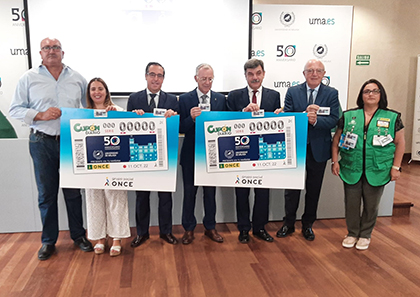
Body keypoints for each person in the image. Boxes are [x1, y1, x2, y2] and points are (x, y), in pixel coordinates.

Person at [9, 37, 93, 260]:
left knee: (74, 193)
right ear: (40, 53)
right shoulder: (28, 78)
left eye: (56, 47)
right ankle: (48, 241)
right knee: (46, 194)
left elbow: (89, 107)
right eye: (47, 48)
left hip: (70, 143)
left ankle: (78, 236)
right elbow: (15, 109)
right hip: (41, 142)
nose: (51, 51)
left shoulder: (77, 78)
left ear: (63, 53)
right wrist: (40, 115)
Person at [331, 79, 405, 250]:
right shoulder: (349, 116)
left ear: (381, 94)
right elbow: (336, 141)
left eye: (375, 91)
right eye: (367, 91)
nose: (370, 94)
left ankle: (365, 235)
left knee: (371, 205)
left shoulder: (392, 117)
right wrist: (335, 161)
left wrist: (396, 167)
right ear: (361, 95)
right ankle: (352, 233)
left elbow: (400, 143)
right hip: (351, 167)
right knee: (351, 203)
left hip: (378, 169)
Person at [277, 59, 339, 241]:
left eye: (318, 71)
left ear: (323, 74)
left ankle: (308, 225)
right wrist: (305, 117)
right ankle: (288, 223)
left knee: (313, 190)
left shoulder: (332, 94)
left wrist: (316, 121)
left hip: (319, 149)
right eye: (310, 70)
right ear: (304, 73)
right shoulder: (292, 91)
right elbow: (288, 117)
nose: (314, 74)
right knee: (291, 190)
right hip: (295, 148)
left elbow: (335, 119)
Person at [227, 58, 282, 243]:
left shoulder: (274, 96)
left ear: (263, 74)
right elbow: (227, 125)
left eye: (258, 73)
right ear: (245, 76)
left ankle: (260, 227)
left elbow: (276, 127)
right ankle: (243, 228)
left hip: (264, 153)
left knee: (263, 192)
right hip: (241, 152)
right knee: (241, 193)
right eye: (250, 74)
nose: (255, 77)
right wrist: (243, 113)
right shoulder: (234, 96)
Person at [127, 62, 179, 247]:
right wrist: (133, 116)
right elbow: (127, 128)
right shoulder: (134, 98)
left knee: (165, 197)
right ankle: (142, 233)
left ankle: (166, 232)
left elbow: (177, 128)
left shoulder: (173, 100)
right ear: (146, 76)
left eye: (160, 75)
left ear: (163, 78)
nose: (156, 79)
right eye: (152, 74)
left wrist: (173, 117)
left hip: (164, 155)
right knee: (142, 197)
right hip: (141, 155)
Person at [179, 63, 226, 245]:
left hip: (212, 156)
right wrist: (190, 118)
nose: (207, 82)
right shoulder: (184, 99)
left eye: (210, 79)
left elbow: (227, 127)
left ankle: (210, 227)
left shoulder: (220, 99)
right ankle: (188, 229)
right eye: (204, 78)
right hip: (191, 155)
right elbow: (180, 128)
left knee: (210, 194)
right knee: (189, 194)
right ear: (196, 78)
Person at [85, 77, 130, 256]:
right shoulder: (83, 113)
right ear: (89, 93)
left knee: (116, 200)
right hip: (92, 166)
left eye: (100, 88)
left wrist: (116, 116)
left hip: (115, 165)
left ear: (106, 91)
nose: (97, 92)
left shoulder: (117, 110)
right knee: (94, 200)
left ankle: (117, 238)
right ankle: (99, 239)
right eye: (93, 89)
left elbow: (128, 130)